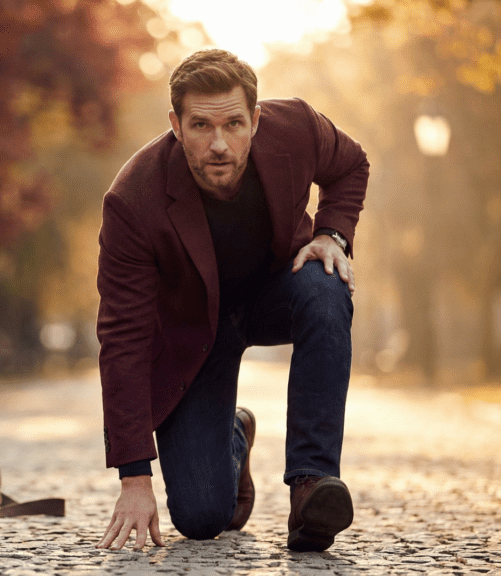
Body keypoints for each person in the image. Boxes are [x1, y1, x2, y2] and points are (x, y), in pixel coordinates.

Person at [94, 49, 368, 552]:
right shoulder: (133, 202)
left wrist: (332, 234)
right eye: (200, 125)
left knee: (326, 282)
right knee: (201, 517)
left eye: (234, 124)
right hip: (195, 333)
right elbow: (123, 337)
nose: (218, 144)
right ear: (175, 124)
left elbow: (350, 165)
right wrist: (134, 478)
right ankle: (234, 437)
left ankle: (311, 486)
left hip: (276, 294)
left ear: (256, 119)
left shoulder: (297, 129)